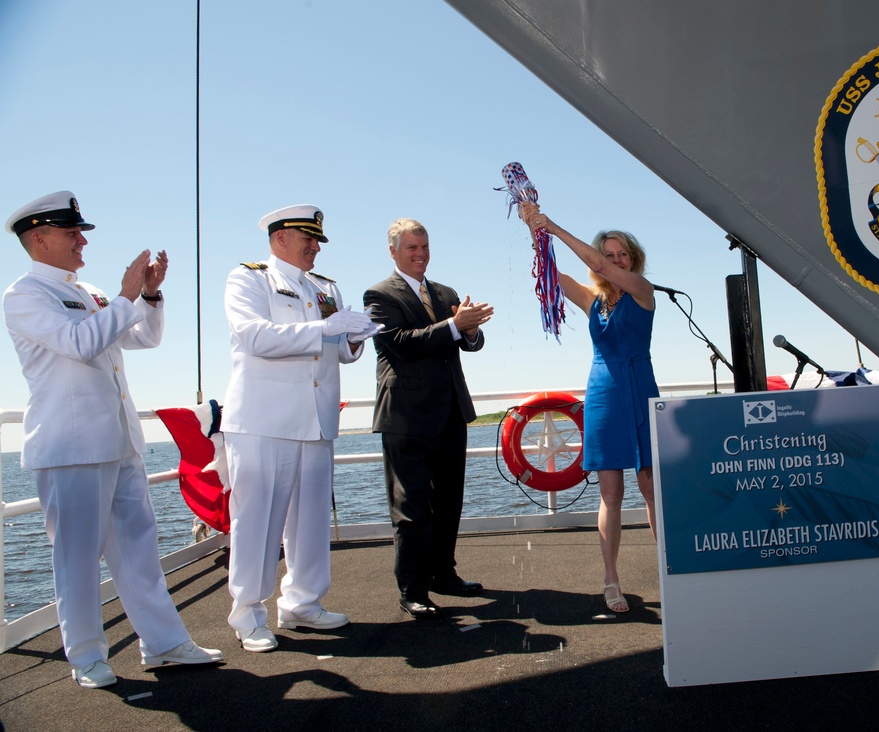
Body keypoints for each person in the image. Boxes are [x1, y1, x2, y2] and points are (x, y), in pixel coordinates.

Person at [2, 191, 223, 689]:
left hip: (120, 440)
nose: (82, 240)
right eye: (71, 233)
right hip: (71, 445)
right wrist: (125, 298)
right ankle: (86, 658)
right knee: (77, 557)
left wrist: (146, 296)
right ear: (38, 238)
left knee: (139, 550)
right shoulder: (25, 295)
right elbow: (79, 344)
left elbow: (142, 338)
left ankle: (164, 644)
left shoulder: (89, 292)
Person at [221, 204, 379, 651]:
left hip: (316, 416)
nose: (315, 246)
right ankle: (248, 613)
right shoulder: (249, 279)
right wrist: (323, 328)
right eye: (307, 238)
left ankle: (302, 603)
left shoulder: (324, 287)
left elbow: (339, 353)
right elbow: (254, 336)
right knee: (258, 522)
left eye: (318, 239)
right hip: (263, 419)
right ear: (279, 239)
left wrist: (352, 337)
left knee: (310, 520)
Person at [522, 203, 659, 614]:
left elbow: (596, 262)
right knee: (610, 493)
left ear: (632, 260)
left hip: (640, 386)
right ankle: (611, 579)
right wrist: (536, 230)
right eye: (609, 255)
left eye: (621, 255)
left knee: (652, 490)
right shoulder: (592, 300)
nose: (614, 261)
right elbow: (552, 274)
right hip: (603, 392)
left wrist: (555, 225)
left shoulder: (642, 290)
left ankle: (670, 568)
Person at [363, 219, 493, 619]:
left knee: (449, 500)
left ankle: (443, 574)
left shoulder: (446, 293)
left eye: (424, 247)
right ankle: (413, 589)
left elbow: (470, 343)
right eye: (411, 248)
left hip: (449, 411)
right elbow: (400, 344)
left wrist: (469, 331)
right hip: (405, 418)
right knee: (411, 507)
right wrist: (456, 325)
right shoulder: (378, 295)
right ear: (393, 251)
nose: (420, 254)